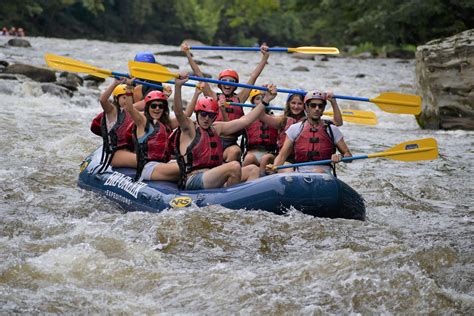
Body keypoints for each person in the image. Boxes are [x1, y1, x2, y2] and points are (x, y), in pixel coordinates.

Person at [172, 73, 277, 190]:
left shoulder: (216, 128)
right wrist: (178, 87)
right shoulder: (189, 128)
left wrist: (266, 100)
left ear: (215, 116)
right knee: (234, 166)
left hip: (213, 176)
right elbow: (178, 113)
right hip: (194, 179)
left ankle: (243, 199)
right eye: (203, 114)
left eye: (211, 115)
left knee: (253, 169)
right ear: (197, 113)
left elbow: (245, 120)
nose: (207, 118)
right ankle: (231, 198)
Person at [181, 42, 270, 162]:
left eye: (231, 81)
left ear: (235, 86)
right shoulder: (212, 96)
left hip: (231, 142)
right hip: (213, 138)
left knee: (235, 152)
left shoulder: (240, 98)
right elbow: (199, 74)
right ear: (220, 83)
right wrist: (187, 54)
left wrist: (265, 57)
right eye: (225, 80)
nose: (227, 83)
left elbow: (253, 77)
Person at [268, 90, 352, 175]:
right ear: (306, 107)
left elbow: (349, 156)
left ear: (323, 108)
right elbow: (282, 156)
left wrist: (340, 157)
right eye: (313, 105)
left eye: (320, 106)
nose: (317, 109)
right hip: (299, 174)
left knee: (318, 172)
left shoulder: (332, 129)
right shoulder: (294, 129)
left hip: (323, 174)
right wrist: (274, 167)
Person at [90, 79, 137, 172]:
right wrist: (115, 83)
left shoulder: (134, 113)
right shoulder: (112, 111)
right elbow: (103, 100)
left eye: (129, 98)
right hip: (115, 154)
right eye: (124, 98)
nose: (127, 101)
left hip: (131, 152)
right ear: (116, 99)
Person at [241, 89, 279, 176]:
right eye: (258, 99)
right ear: (252, 102)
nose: (261, 101)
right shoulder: (247, 119)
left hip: (269, 153)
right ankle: (240, 180)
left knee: (265, 159)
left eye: (263, 98)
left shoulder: (274, 119)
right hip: (252, 152)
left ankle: (261, 180)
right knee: (249, 158)